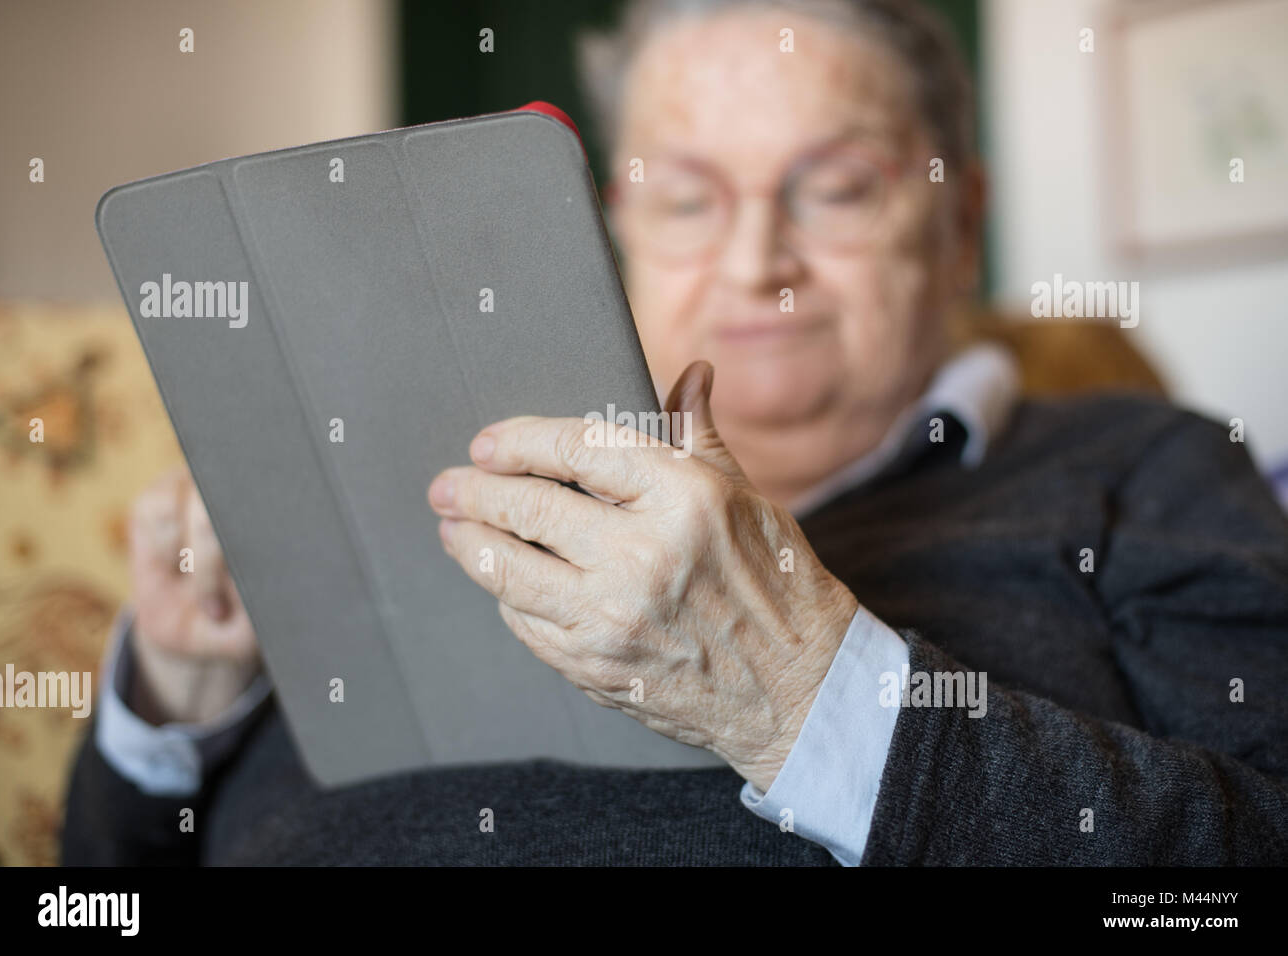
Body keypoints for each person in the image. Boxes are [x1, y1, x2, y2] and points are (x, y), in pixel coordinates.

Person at [64, 0, 1288, 866]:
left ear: (958, 222)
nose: (757, 263)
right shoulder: (435, 448)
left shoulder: (1142, 461)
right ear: (609, 226)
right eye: (686, 196)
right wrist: (178, 697)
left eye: (839, 185)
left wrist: (811, 700)